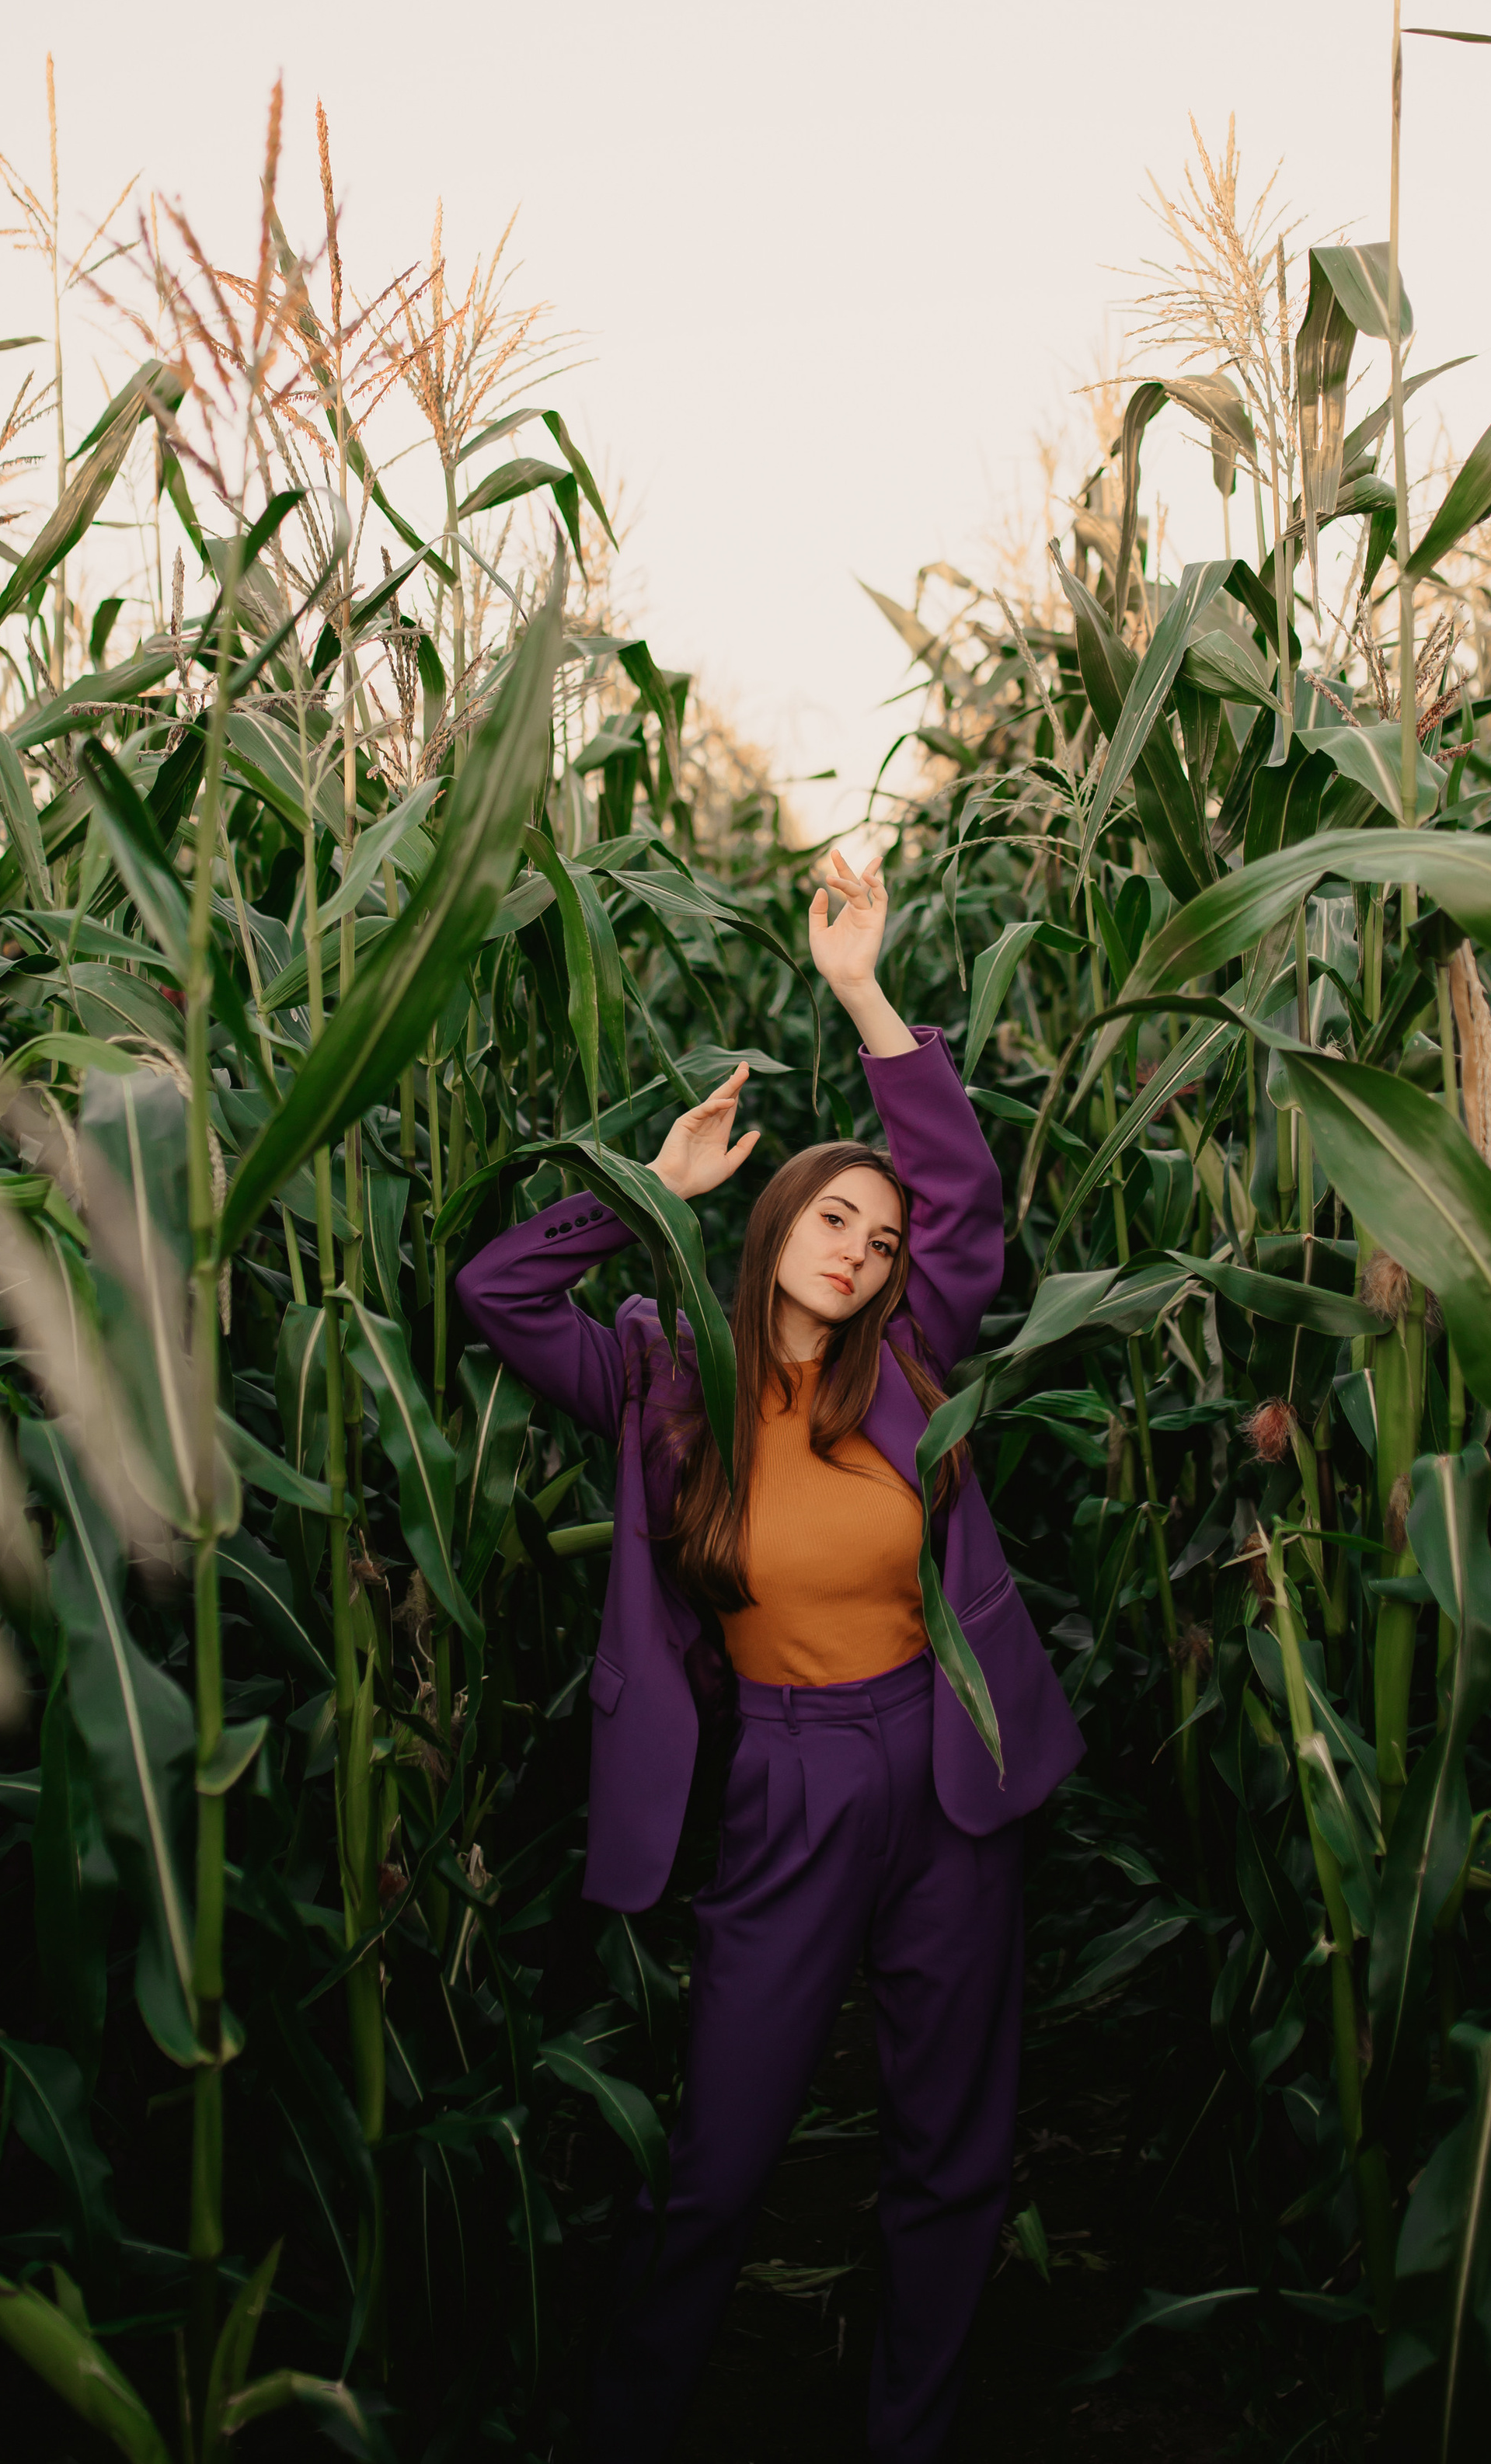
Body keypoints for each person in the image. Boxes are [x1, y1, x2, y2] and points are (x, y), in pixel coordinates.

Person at [454, 850, 1085, 2462]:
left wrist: (866, 996)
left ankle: (909, 2435)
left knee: (951, 2151)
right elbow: (496, 1292)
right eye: (832, 1214)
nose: (862, 1249)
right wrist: (646, 1193)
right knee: (721, 2158)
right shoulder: (665, 1381)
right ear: (771, 1221)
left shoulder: (913, 1360)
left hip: (942, 1767)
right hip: (786, 1780)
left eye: (879, 1237)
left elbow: (964, 1199)